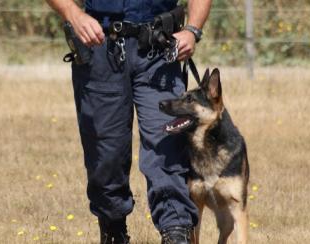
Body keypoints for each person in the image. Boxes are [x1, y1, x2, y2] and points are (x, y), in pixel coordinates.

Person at [46, 0, 212, 243]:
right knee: (105, 151)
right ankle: (113, 228)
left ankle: (176, 229)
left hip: (161, 48)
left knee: (167, 143)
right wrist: (73, 13)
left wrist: (192, 30)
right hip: (101, 46)